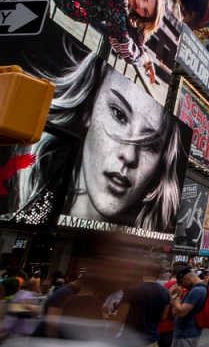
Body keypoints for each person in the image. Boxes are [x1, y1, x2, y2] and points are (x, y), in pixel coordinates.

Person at [1, 32, 187, 231]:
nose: (129, 155)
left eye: (150, 144)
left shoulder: (151, 240)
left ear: (162, 162)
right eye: (118, 114)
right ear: (89, 109)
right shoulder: (18, 215)